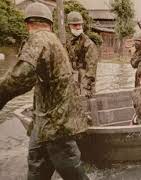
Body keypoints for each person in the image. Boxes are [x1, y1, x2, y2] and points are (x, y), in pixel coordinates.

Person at [0, 2, 89, 179]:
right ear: (50, 23)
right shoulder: (53, 41)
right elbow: (32, 78)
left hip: (56, 125)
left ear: (27, 24)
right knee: (37, 170)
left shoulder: (39, 39)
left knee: (73, 172)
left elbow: (20, 77)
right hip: (45, 123)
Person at [65, 11, 99, 98]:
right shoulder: (67, 41)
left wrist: (86, 88)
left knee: (85, 105)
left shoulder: (88, 44)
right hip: (73, 79)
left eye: (79, 25)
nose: (78, 27)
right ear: (69, 26)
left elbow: (91, 69)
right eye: (75, 25)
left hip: (85, 80)